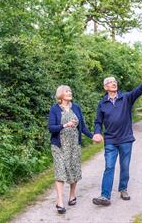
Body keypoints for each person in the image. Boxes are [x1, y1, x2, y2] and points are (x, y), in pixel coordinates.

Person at [92, 75, 142, 206]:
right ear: (105, 87)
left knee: (124, 166)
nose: (113, 83)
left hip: (125, 139)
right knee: (109, 167)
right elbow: (98, 121)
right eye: (110, 82)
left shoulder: (125, 98)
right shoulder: (102, 103)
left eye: (114, 81)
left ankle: (123, 189)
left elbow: (137, 91)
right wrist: (97, 132)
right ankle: (104, 196)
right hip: (110, 140)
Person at [48, 85, 94, 214]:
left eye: (70, 91)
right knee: (60, 171)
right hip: (59, 146)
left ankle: (72, 195)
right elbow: (51, 128)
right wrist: (65, 125)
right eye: (67, 91)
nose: (69, 93)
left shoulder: (76, 107)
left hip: (74, 146)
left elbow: (83, 127)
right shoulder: (55, 109)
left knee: (74, 169)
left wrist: (92, 136)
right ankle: (60, 202)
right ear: (60, 95)